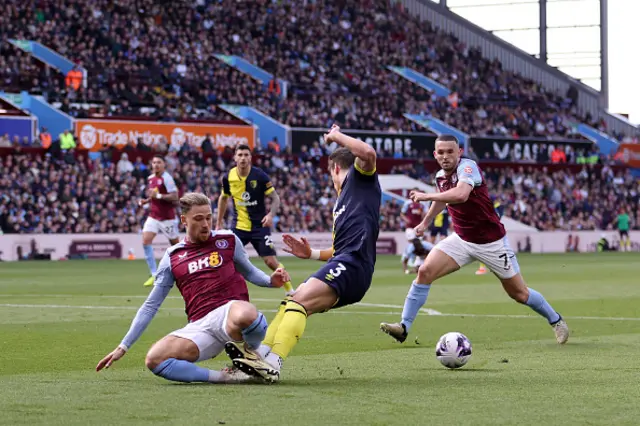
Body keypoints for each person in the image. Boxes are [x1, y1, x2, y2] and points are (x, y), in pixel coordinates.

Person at [227, 125, 381, 382]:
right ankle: (261, 357)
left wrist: (336, 137)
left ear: (334, 168)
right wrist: (310, 254)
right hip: (348, 263)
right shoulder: (342, 204)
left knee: (298, 302)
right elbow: (337, 250)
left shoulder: (359, 180)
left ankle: (273, 364)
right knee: (293, 301)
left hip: (354, 265)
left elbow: (368, 153)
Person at [380, 135, 569, 345]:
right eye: (440, 153)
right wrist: (425, 222)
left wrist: (426, 196)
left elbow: (460, 195)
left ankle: (557, 321)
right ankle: (404, 327)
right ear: (435, 154)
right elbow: (443, 200)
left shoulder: (468, 167)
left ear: (459, 152)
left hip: (491, 243)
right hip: (461, 240)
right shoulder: (440, 176)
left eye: (450, 152)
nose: (445, 157)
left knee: (519, 294)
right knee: (424, 272)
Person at [96, 193, 291, 384]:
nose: (206, 224)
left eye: (208, 218)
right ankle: (227, 376)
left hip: (230, 314)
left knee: (246, 314)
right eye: (198, 219)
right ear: (184, 220)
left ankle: (254, 356)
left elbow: (249, 272)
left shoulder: (228, 240)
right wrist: (123, 346)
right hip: (200, 326)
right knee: (154, 359)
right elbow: (150, 306)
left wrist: (270, 281)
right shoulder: (172, 257)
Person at [216, 144, 293, 294]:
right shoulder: (228, 177)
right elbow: (223, 198)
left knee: (270, 261)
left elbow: (275, 198)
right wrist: (218, 223)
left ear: (250, 157)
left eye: (246, 155)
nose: (243, 158)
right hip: (238, 227)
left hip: (259, 226)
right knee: (226, 259)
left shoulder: (260, 176)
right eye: (240, 155)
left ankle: (290, 291)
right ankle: (226, 293)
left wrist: (271, 215)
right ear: (235, 158)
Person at [140, 155, 180, 287]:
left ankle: (181, 271)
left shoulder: (167, 178)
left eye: (159, 162)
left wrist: (159, 196)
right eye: (154, 162)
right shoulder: (150, 179)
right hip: (153, 216)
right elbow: (153, 196)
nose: (156, 164)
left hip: (167, 218)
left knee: (176, 246)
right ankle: (154, 274)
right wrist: (146, 200)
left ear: (164, 165)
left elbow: (175, 196)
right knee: (146, 241)